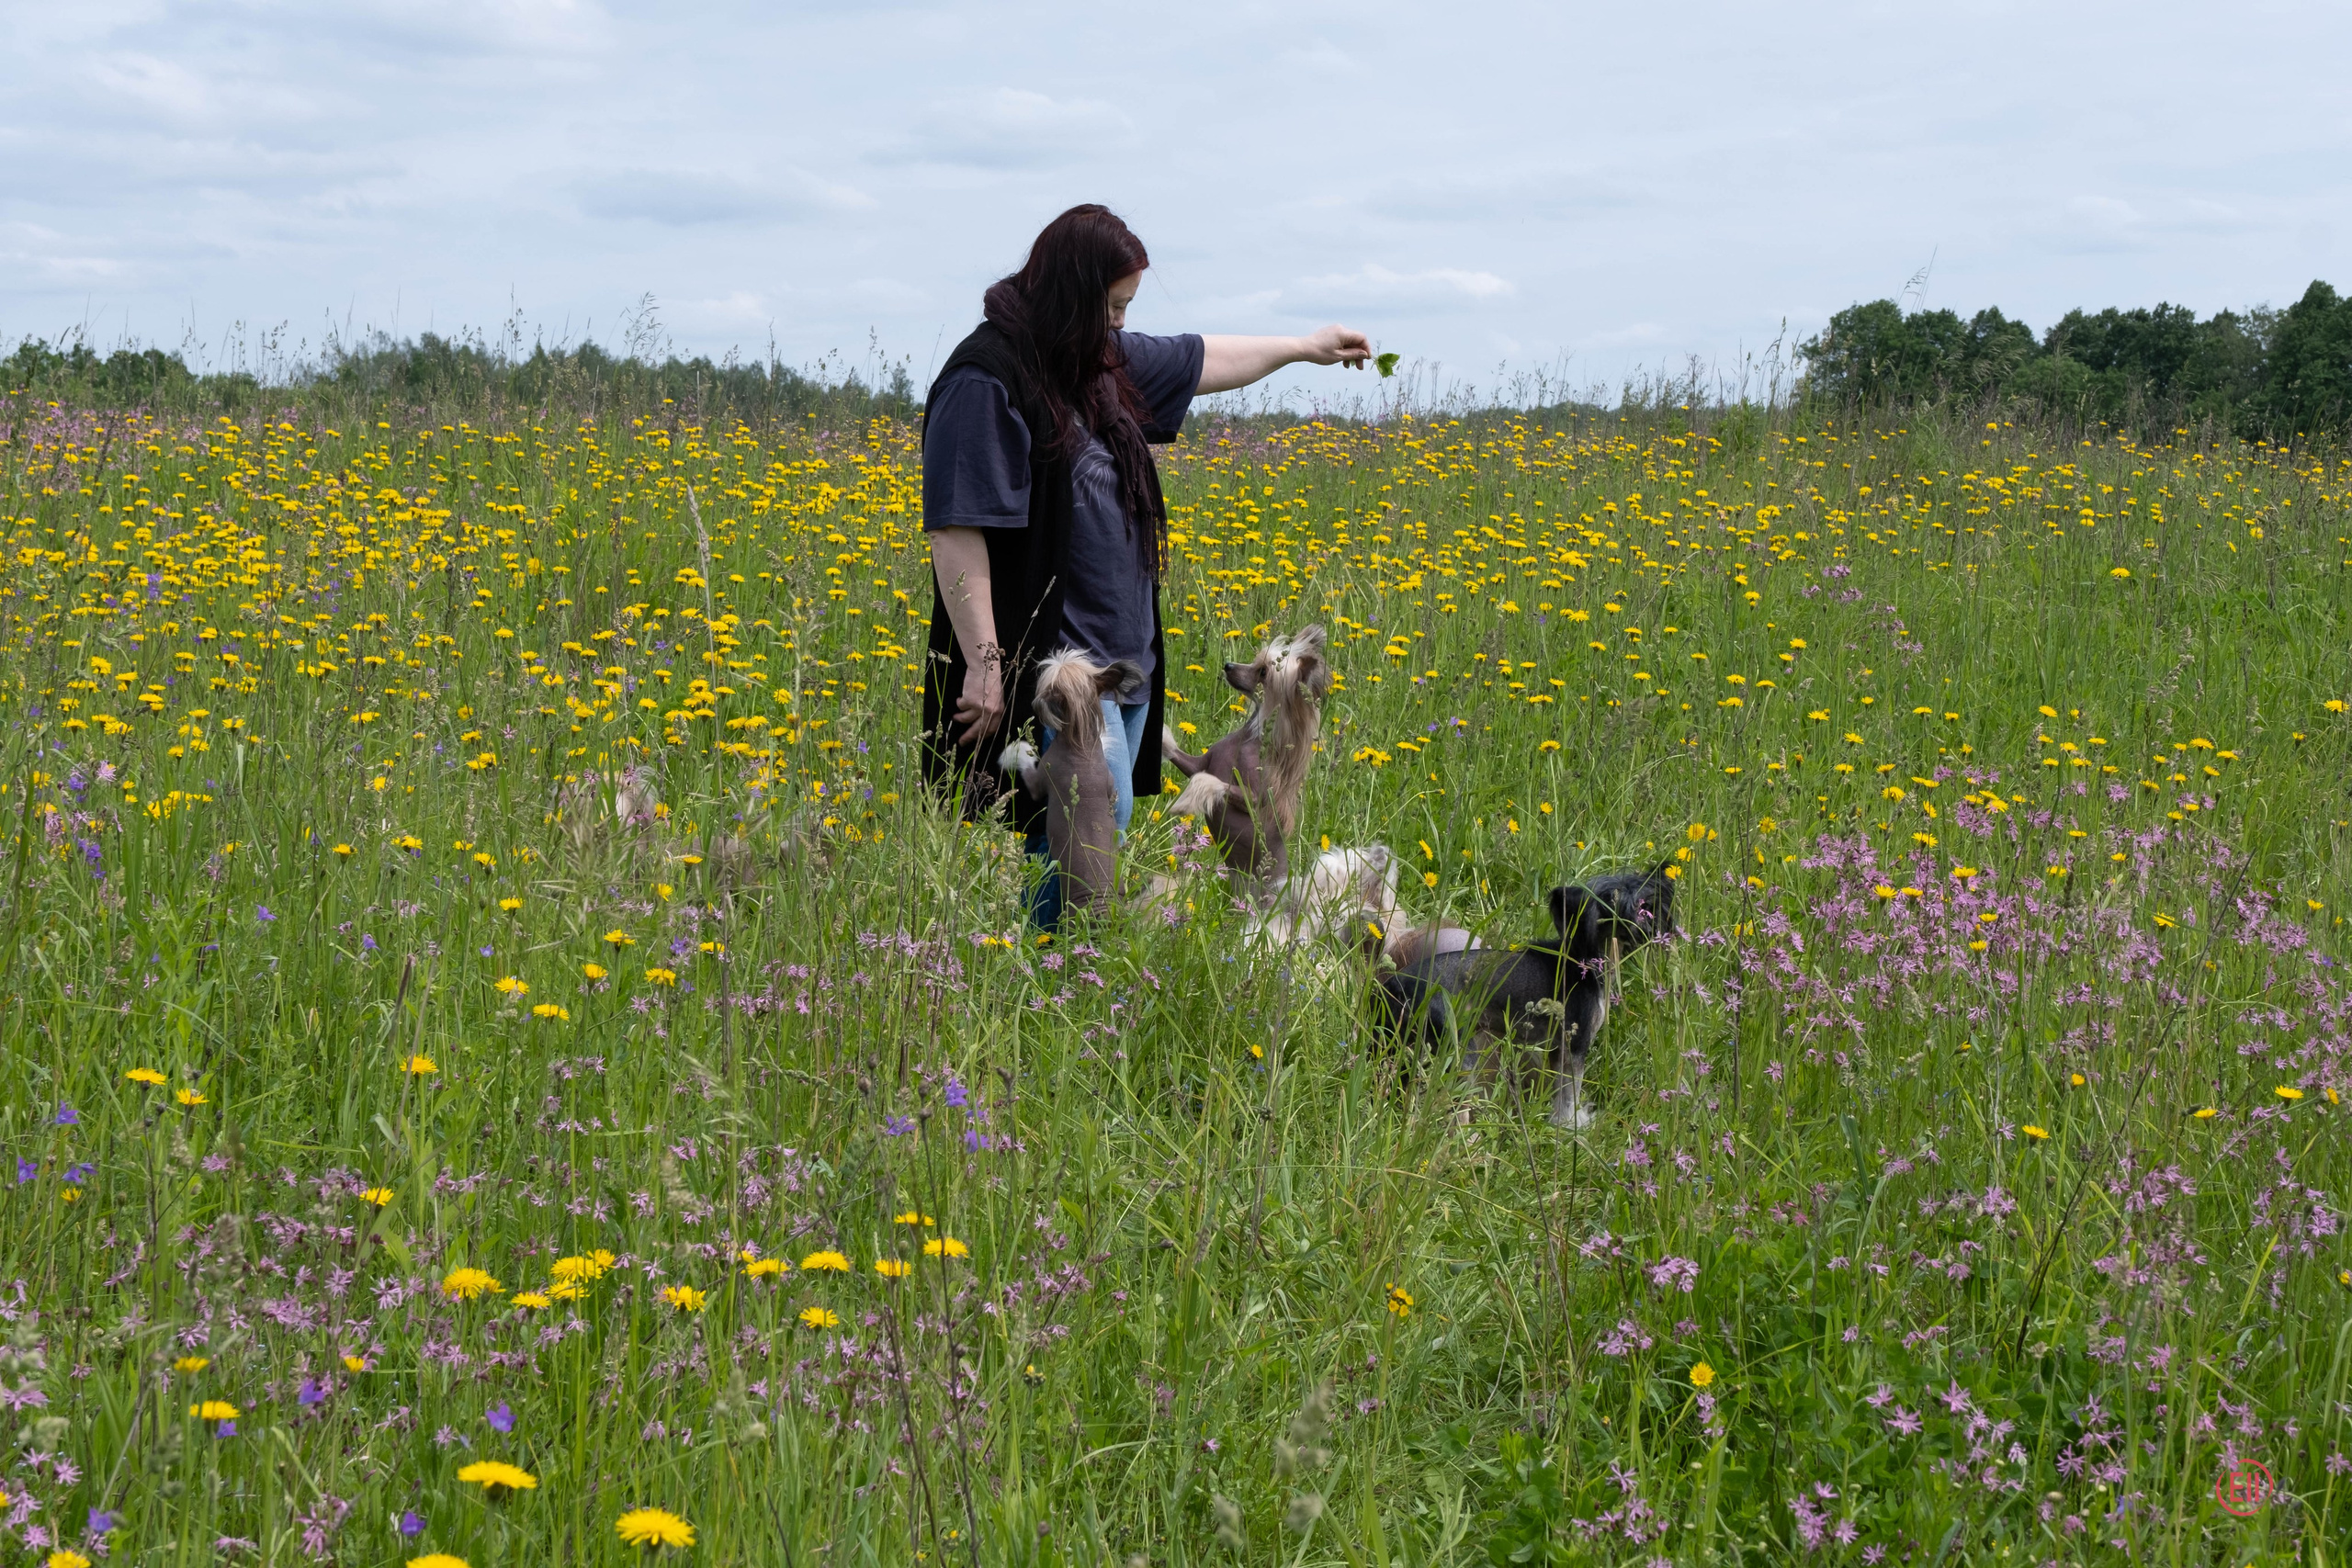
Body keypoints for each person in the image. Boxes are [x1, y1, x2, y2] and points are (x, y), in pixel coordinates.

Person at [920, 203, 1370, 930]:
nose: (1123, 323)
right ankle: (1047, 967)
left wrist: (1302, 347)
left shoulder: (1094, 364)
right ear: (1071, 295)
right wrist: (983, 659)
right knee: (1083, 824)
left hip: (1123, 659)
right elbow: (956, 528)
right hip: (1054, 664)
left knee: (1098, 830)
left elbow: (1199, 360)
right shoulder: (987, 379)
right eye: (1115, 306)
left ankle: (1050, 965)